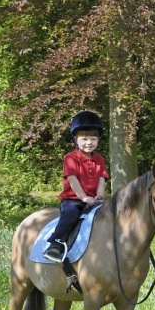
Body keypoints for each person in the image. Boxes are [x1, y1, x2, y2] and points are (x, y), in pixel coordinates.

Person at [43, 111, 109, 263]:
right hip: (73, 200)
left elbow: (101, 178)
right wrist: (84, 197)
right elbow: (72, 180)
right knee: (71, 214)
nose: (89, 142)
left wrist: (99, 195)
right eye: (84, 139)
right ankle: (56, 244)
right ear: (75, 139)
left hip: (94, 200)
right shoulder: (71, 158)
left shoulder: (99, 159)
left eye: (93, 139)